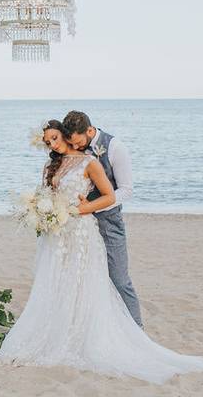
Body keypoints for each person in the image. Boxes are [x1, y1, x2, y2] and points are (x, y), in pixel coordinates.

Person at [0, 120, 203, 383]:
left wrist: (78, 210)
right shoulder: (49, 165)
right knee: (58, 283)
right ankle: (57, 332)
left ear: (65, 135)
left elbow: (109, 196)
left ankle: (92, 335)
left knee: (85, 283)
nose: (52, 145)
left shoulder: (90, 162)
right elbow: (45, 196)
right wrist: (42, 212)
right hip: (57, 235)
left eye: (54, 138)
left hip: (81, 232)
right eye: (47, 142)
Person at [61, 110, 142, 327]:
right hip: (79, 225)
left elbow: (126, 190)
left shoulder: (116, 147)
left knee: (119, 278)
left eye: (79, 143)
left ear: (89, 130)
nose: (76, 148)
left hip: (108, 222)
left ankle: (136, 329)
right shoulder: (72, 146)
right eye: (72, 143)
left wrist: (94, 207)